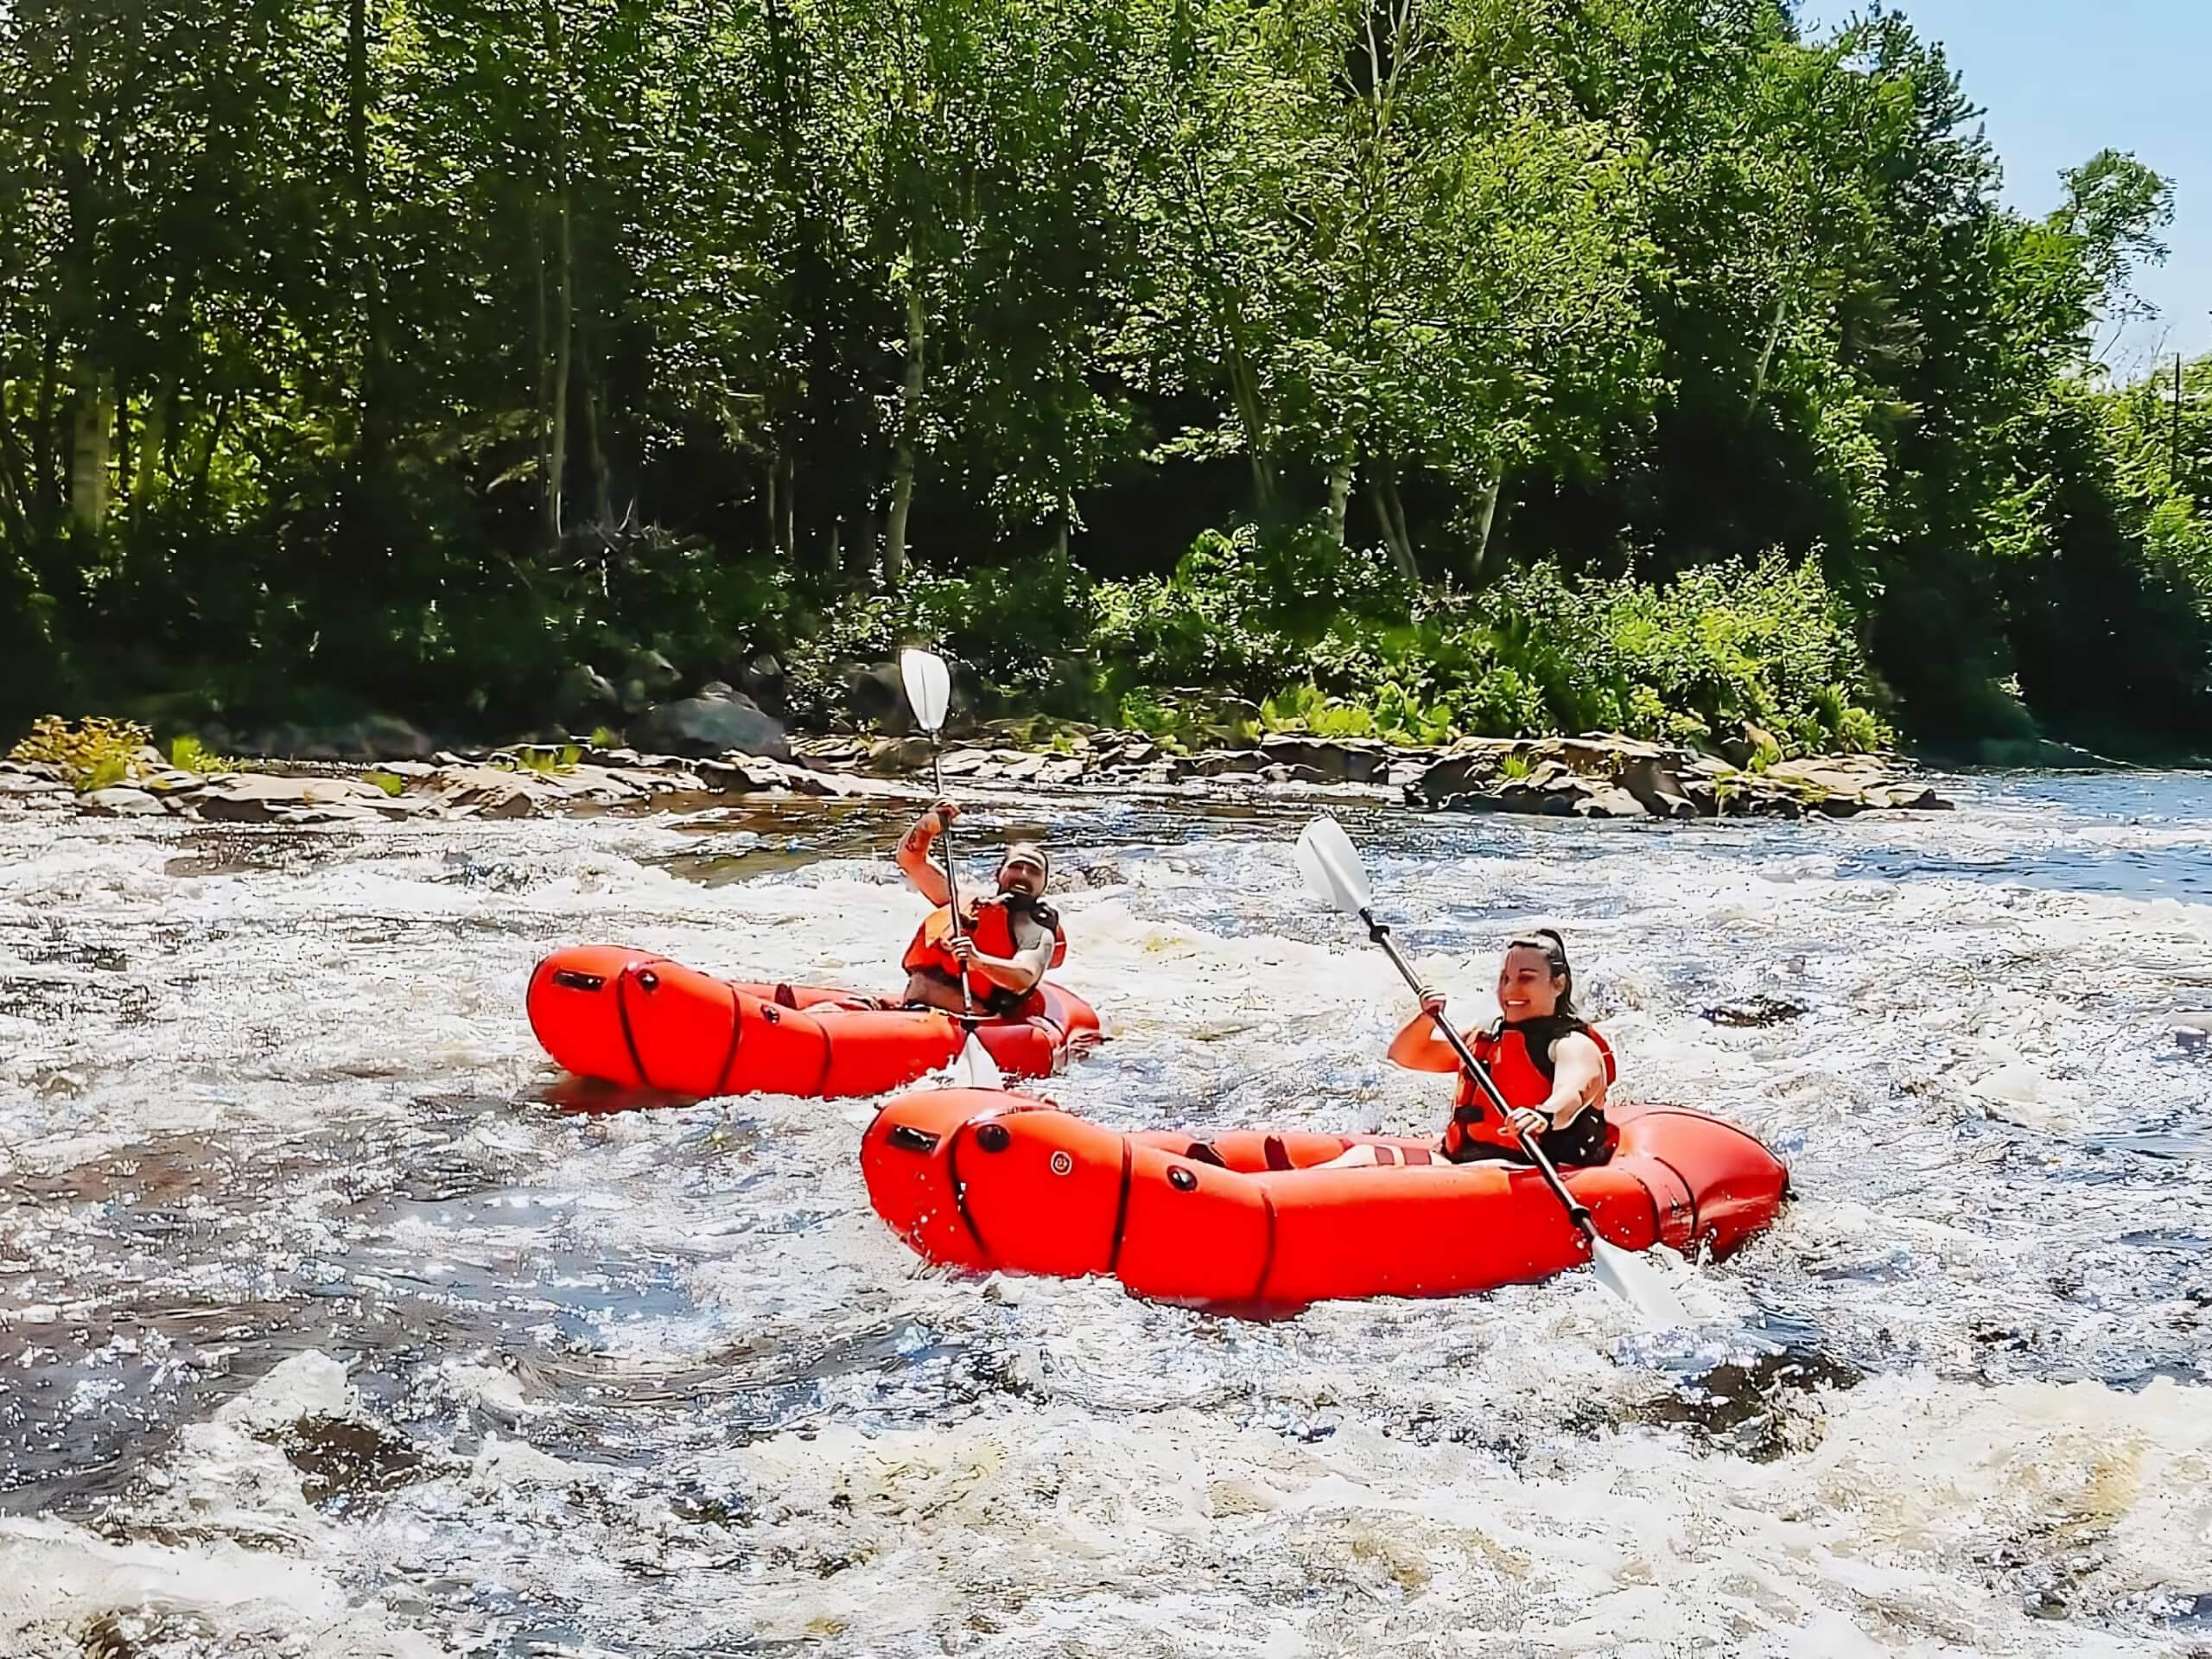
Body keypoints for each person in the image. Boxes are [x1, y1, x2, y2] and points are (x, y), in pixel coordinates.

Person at [1325, 928, 1615, 1168]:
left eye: (1526, 978)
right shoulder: (1486, 1037)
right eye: (1505, 978)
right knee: (1362, 1158)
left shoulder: (1573, 1045)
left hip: (1532, 1170)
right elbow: (1406, 1055)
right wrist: (1426, 1018)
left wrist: (1544, 1115)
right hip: (1462, 1163)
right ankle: (1283, 1195)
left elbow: (1576, 1089)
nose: (1510, 990)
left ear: (1559, 984)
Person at [893, 799, 1065, 1018]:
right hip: (917, 1011)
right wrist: (928, 825)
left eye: (1033, 871)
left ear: (1044, 885)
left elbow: (1025, 976)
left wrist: (977, 961)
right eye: (1016, 866)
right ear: (998, 873)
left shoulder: (1034, 928)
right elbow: (911, 861)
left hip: (972, 1022)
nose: (1023, 875)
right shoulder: (964, 903)